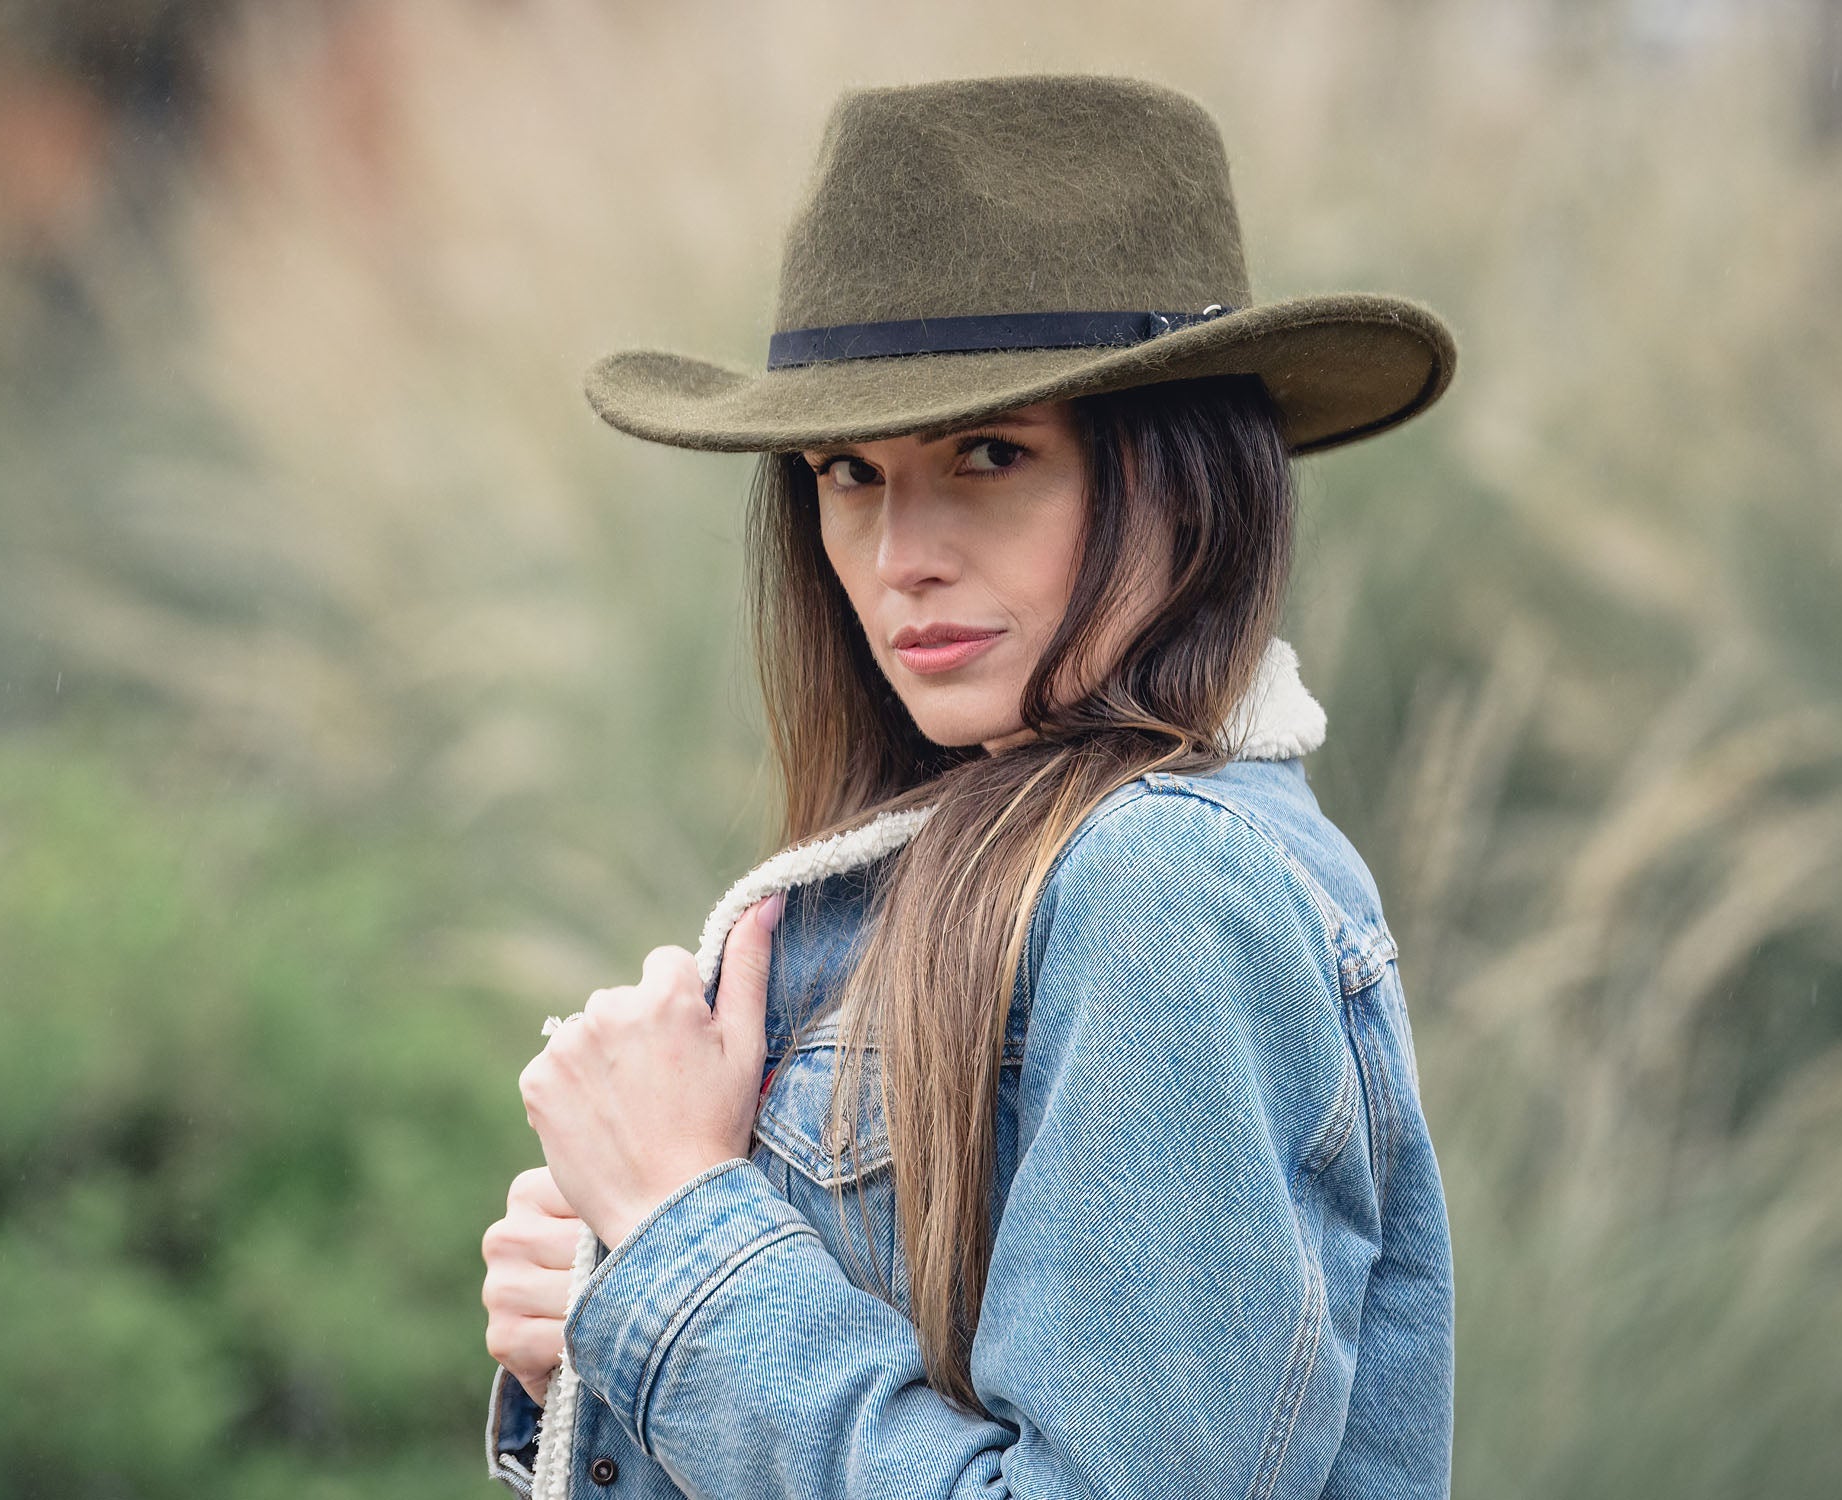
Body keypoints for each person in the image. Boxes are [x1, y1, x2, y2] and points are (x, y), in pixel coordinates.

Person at [480, 73, 1456, 1500]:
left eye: (990, 455)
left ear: (1184, 476)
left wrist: (683, 1232)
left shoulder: (1167, 882)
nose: (898, 557)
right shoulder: (966, 850)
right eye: (849, 471)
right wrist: (601, 1322)